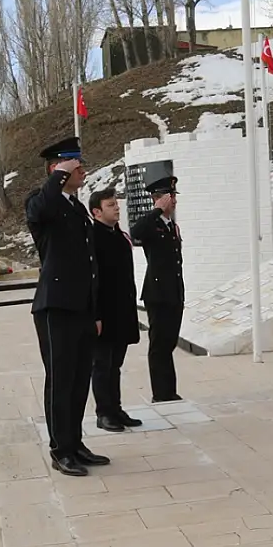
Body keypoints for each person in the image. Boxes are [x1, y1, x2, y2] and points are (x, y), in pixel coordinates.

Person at [26, 136, 109, 477]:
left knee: (79, 380)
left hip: (81, 309)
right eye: (75, 164)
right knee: (60, 380)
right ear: (58, 167)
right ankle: (60, 449)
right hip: (55, 307)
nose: (82, 169)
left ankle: (75, 443)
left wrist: (96, 312)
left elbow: (89, 265)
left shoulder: (76, 207)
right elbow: (42, 209)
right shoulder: (41, 202)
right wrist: (58, 175)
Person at [88, 187, 143, 432]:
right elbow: (92, 280)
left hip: (122, 310)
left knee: (115, 365)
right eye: (110, 205)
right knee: (102, 365)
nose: (117, 207)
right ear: (97, 212)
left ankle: (116, 408)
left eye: (116, 203)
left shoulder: (119, 235)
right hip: (104, 313)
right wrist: (95, 315)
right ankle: (104, 413)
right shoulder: (93, 237)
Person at [131, 176, 185, 403]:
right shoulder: (151, 224)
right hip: (158, 294)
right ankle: (161, 394)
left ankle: (169, 391)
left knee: (169, 343)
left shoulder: (172, 226)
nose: (174, 202)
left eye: (173, 197)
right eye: (170, 197)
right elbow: (136, 232)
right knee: (159, 345)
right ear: (159, 199)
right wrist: (155, 211)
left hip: (174, 293)